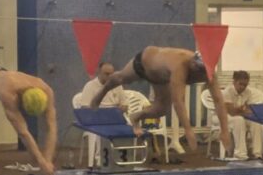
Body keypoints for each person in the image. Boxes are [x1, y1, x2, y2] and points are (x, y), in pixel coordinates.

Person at [92, 46, 231, 155]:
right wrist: (188, 130)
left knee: (162, 109)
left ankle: (136, 117)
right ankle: (100, 93)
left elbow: (219, 101)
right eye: (194, 67)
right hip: (145, 63)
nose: (195, 71)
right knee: (121, 78)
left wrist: (224, 130)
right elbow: (178, 101)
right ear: (193, 63)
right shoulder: (181, 66)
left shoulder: (209, 74)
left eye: (199, 70)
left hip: (161, 78)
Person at [222, 70, 263, 159]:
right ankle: (240, 154)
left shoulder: (248, 92)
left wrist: (242, 110)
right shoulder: (227, 92)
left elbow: (249, 109)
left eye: (245, 85)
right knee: (238, 120)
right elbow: (231, 112)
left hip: (240, 116)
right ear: (234, 82)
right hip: (224, 116)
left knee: (256, 121)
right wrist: (241, 110)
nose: (243, 87)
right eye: (240, 84)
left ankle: (257, 153)